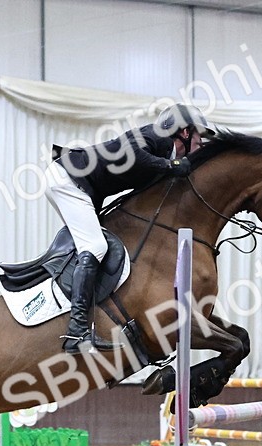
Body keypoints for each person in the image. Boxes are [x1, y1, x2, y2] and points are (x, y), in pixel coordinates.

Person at [46, 104, 214, 354]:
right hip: (68, 179)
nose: (202, 143)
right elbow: (135, 153)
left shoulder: (164, 153)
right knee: (94, 246)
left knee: (95, 245)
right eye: (200, 135)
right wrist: (171, 166)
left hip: (81, 185)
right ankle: (76, 330)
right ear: (185, 132)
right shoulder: (156, 137)